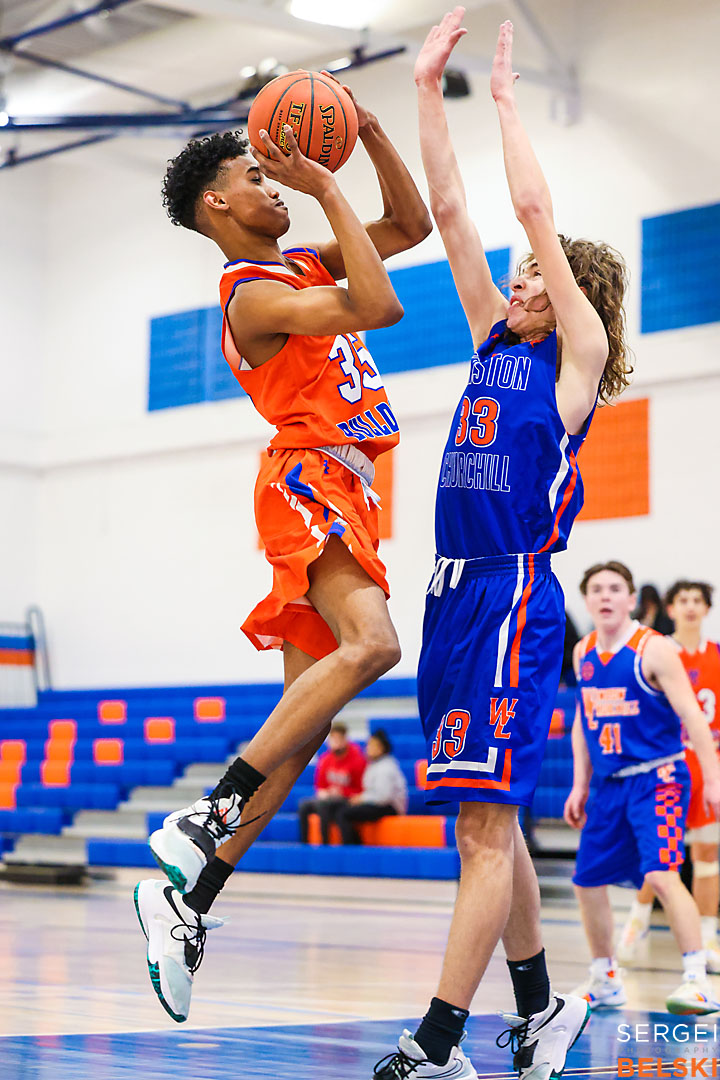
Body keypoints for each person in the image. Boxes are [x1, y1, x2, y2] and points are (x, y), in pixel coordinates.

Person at [133, 75, 432, 1023]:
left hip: (349, 484)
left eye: (278, 174)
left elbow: (411, 228)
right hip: (308, 479)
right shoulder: (253, 297)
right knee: (375, 647)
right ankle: (204, 814)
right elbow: (381, 308)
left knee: (299, 739)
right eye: (258, 175)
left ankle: (186, 900)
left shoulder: (299, 262)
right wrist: (329, 185)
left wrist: (373, 134)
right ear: (218, 203)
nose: (277, 185)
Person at [374, 11, 631, 1080]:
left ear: (571, 291)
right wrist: (428, 91)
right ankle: (537, 1009)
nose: (520, 278)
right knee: (486, 826)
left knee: (483, 833)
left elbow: (529, 207)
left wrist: (509, 101)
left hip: (513, 598)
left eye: (539, 272)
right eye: (522, 275)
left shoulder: (575, 357)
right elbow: (451, 212)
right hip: (450, 597)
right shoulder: (493, 336)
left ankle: (438, 1042)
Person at [564, 562, 720, 1016]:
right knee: (587, 881)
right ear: (588, 600)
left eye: (615, 588)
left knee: (661, 875)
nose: (606, 596)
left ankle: (696, 979)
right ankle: (605, 976)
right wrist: (579, 783)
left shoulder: (653, 649)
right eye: (596, 589)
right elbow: (583, 719)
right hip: (609, 786)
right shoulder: (583, 652)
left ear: (632, 600)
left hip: (660, 777)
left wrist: (711, 779)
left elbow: (693, 717)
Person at [617, 579, 720, 971]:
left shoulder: (717, 654)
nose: (691, 606)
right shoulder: (658, 651)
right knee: (662, 854)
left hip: (707, 764)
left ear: (707, 608)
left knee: (707, 854)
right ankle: (635, 924)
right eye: (684, 600)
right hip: (669, 765)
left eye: (698, 600)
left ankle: (708, 937)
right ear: (671, 608)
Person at [298, 721, 366, 843]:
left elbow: (361, 789)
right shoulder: (325, 759)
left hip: (346, 799)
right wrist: (324, 792)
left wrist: (342, 792)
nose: (336, 742)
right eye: (333, 739)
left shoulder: (357, 759)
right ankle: (304, 843)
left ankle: (325, 843)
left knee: (323, 805)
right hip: (329, 798)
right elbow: (320, 785)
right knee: (303, 805)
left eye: (339, 739)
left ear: (345, 739)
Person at [336, 729, 408, 844]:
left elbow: (383, 797)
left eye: (372, 746)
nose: (368, 748)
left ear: (381, 748)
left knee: (344, 814)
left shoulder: (386, 767)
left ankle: (353, 848)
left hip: (390, 807)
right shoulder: (373, 765)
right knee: (342, 808)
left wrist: (362, 799)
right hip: (379, 803)